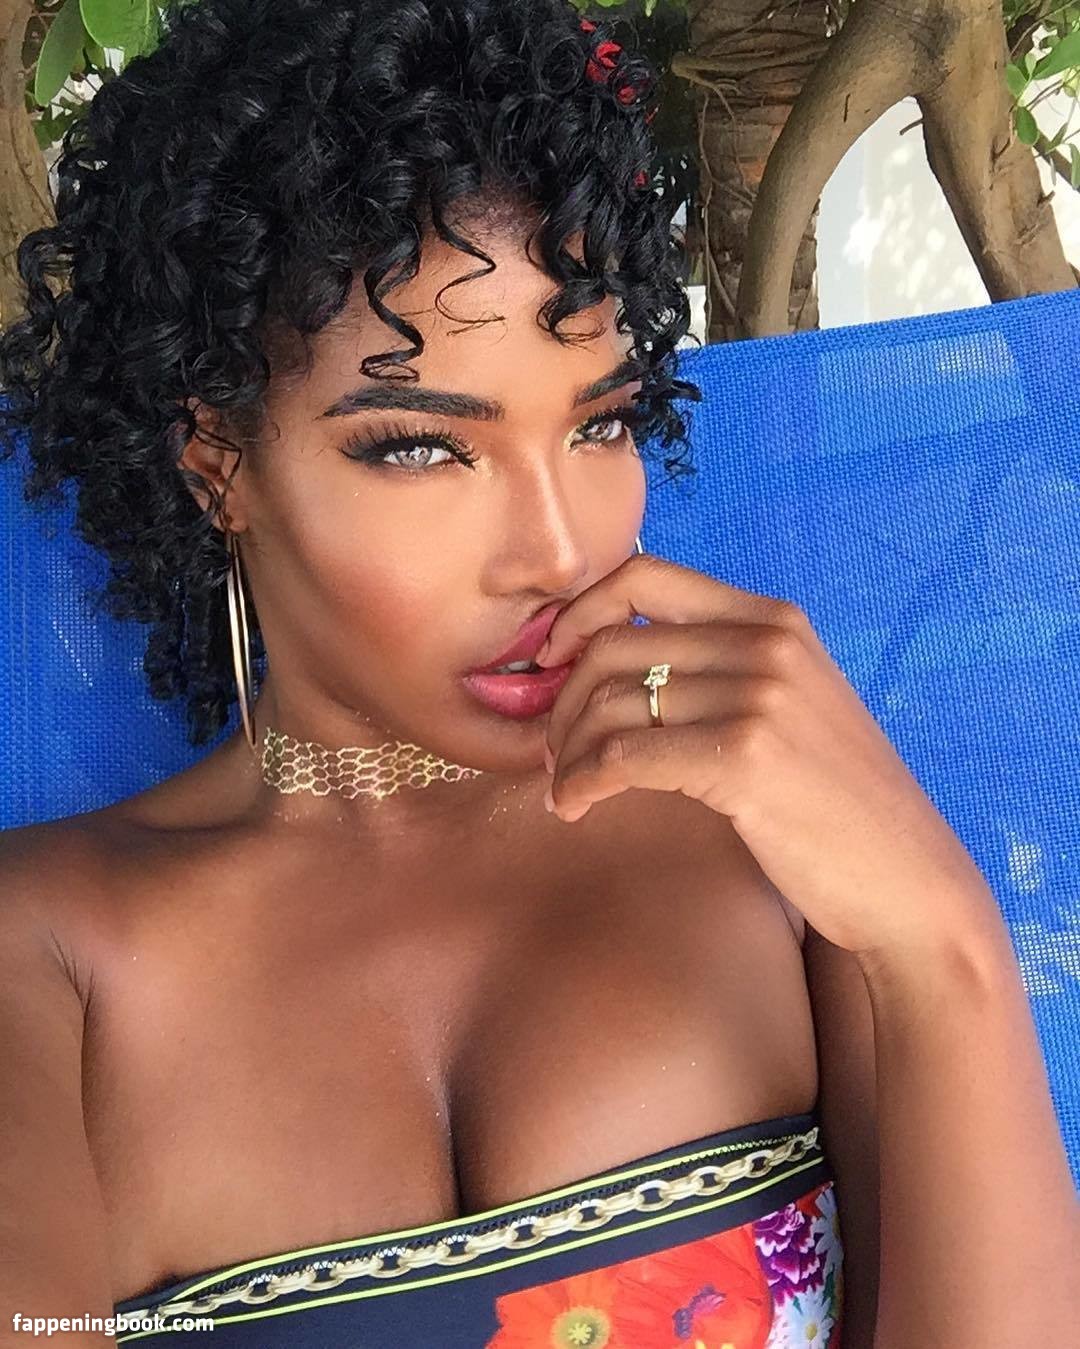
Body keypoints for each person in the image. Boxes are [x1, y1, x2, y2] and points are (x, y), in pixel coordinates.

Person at [3, 3, 1076, 1347]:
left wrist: (942, 942)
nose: (560, 551)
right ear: (216, 462)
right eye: (421, 447)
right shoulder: (44, 953)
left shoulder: (782, 840)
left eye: (600, 424)